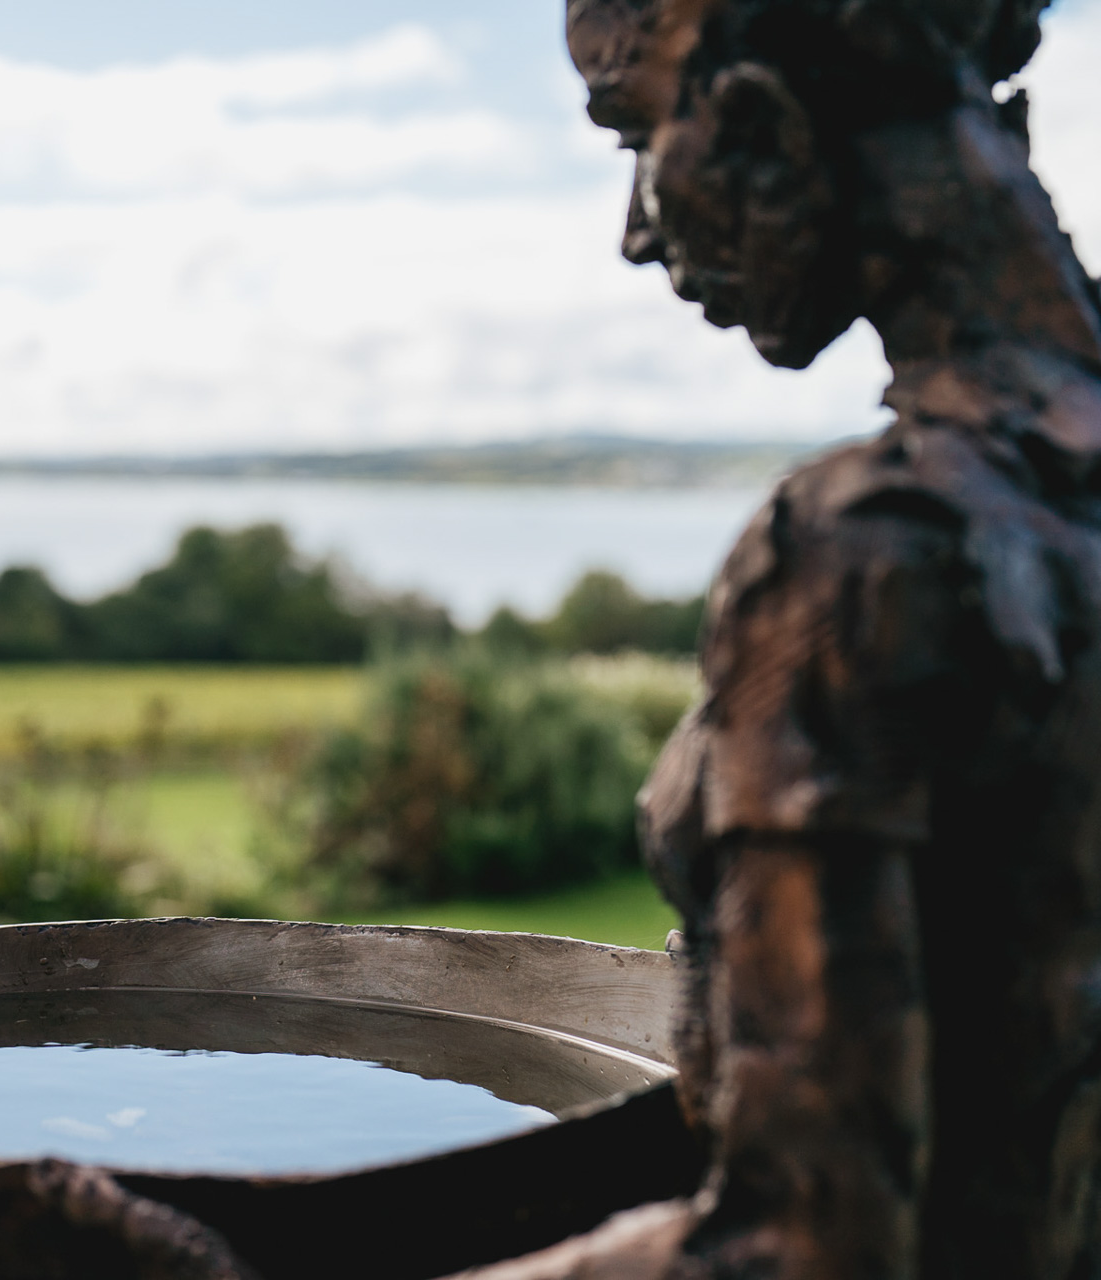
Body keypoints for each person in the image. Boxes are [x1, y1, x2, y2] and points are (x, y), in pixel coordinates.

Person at [462, 1, 1101, 1275]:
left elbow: (805, 1247)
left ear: (756, 121)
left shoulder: (860, 553)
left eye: (634, 133)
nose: (638, 233)